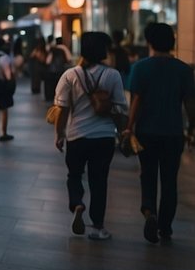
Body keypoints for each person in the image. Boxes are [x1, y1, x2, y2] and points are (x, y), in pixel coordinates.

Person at [125, 23, 195, 245]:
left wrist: (129, 126)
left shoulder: (140, 68)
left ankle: (149, 212)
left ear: (150, 42)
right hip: (173, 133)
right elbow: (190, 104)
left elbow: (136, 100)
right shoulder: (184, 70)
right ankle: (165, 226)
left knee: (147, 174)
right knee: (169, 180)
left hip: (146, 131)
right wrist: (192, 128)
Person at [53, 31, 127, 241]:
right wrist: (123, 132)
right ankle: (97, 227)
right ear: (103, 51)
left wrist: (59, 134)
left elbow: (62, 109)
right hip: (104, 138)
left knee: (74, 175)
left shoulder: (70, 75)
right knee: (99, 181)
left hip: (77, 136)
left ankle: (77, 203)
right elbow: (121, 109)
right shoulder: (112, 75)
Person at [43, 36, 71, 102]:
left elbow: (48, 61)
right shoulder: (64, 49)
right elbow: (69, 59)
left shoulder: (52, 49)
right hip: (60, 72)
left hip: (51, 72)